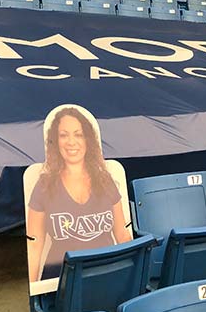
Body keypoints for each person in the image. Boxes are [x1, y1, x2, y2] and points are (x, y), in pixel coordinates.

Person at [26, 107, 131, 282]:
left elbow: (122, 234)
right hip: (62, 280)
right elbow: (34, 245)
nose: (71, 142)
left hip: (106, 273)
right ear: (55, 141)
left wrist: (131, 277)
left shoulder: (105, 180)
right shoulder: (44, 185)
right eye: (63, 135)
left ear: (88, 140)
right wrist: (33, 292)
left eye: (78, 134)